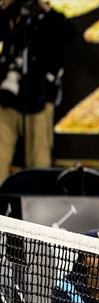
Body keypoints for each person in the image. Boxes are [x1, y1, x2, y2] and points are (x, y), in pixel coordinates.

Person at [0, 0, 74, 185]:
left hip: (38, 98)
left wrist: (44, 7)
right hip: (7, 98)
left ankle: (40, 203)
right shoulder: (12, 16)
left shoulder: (50, 19)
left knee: (39, 156)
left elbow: (68, 33)